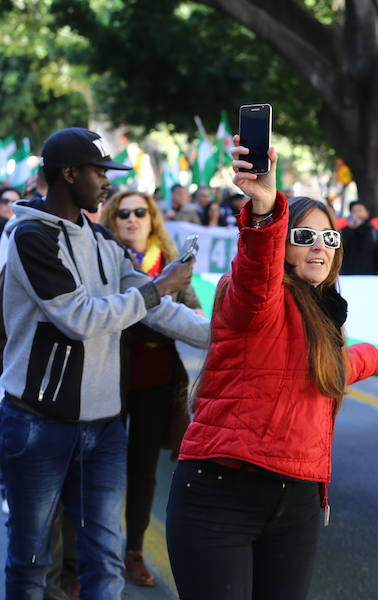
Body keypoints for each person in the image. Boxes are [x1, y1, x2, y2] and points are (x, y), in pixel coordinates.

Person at [166, 138, 378, 599]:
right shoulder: (253, 297)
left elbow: (320, 372)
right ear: (281, 246)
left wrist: (372, 356)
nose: (319, 247)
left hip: (300, 500)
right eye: (303, 237)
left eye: (329, 237)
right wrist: (264, 212)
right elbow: (257, 269)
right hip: (220, 496)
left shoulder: (326, 316)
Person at [0, 127, 209, 599]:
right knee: (31, 561)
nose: (108, 183)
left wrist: (227, 336)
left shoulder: (99, 238)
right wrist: (159, 286)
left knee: (104, 559)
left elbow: (156, 309)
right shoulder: (30, 236)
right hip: (38, 423)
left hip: (105, 428)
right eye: (100, 172)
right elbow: (79, 317)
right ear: (69, 174)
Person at [98, 189, 202, 587]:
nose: (131, 218)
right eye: (122, 212)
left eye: (140, 211)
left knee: (142, 470)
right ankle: (92, 555)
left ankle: (133, 551)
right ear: (113, 218)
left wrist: (185, 308)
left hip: (157, 378)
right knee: (100, 466)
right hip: (109, 375)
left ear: (151, 217)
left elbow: (192, 309)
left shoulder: (170, 259)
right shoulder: (106, 257)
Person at [339, 200, 378, 275]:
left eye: (360, 210)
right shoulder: (343, 232)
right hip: (347, 278)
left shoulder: (374, 234)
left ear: (367, 213)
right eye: (353, 211)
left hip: (369, 279)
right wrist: (350, 229)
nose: (356, 214)